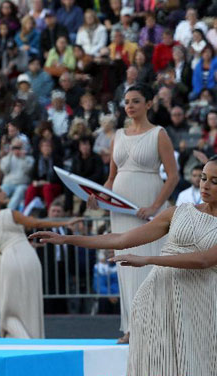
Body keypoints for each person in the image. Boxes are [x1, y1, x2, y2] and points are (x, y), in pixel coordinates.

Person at [29, 157, 217, 374]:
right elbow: (122, 239)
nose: (205, 185)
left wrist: (149, 260)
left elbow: (203, 260)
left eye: (214, 181)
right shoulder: (179, 212)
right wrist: (70, 240)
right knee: (156, 365)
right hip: (159, 295)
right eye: (203, 178)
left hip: (202, 301)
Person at [87, 84, 179, 343]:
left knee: (148, 263)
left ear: (148, 104)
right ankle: (130, 327)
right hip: (121, 209)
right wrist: (98, 198)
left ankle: (155, 326)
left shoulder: (159, 134)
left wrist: (154, 207)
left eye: (136, 101)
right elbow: (111, 178)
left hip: (149, 206)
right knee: (125, 265)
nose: (129, 106)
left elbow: (173, 176)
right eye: (126, 102)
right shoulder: (118, 135)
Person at [0, 183, 80, 338]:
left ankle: (14, 336)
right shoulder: (9, 213)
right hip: (26, 255)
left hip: (8, 260)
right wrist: (65, 223)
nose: (4, 192)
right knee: (30, 301)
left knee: (10, 305)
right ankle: (32, 338)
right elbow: (37, 224)